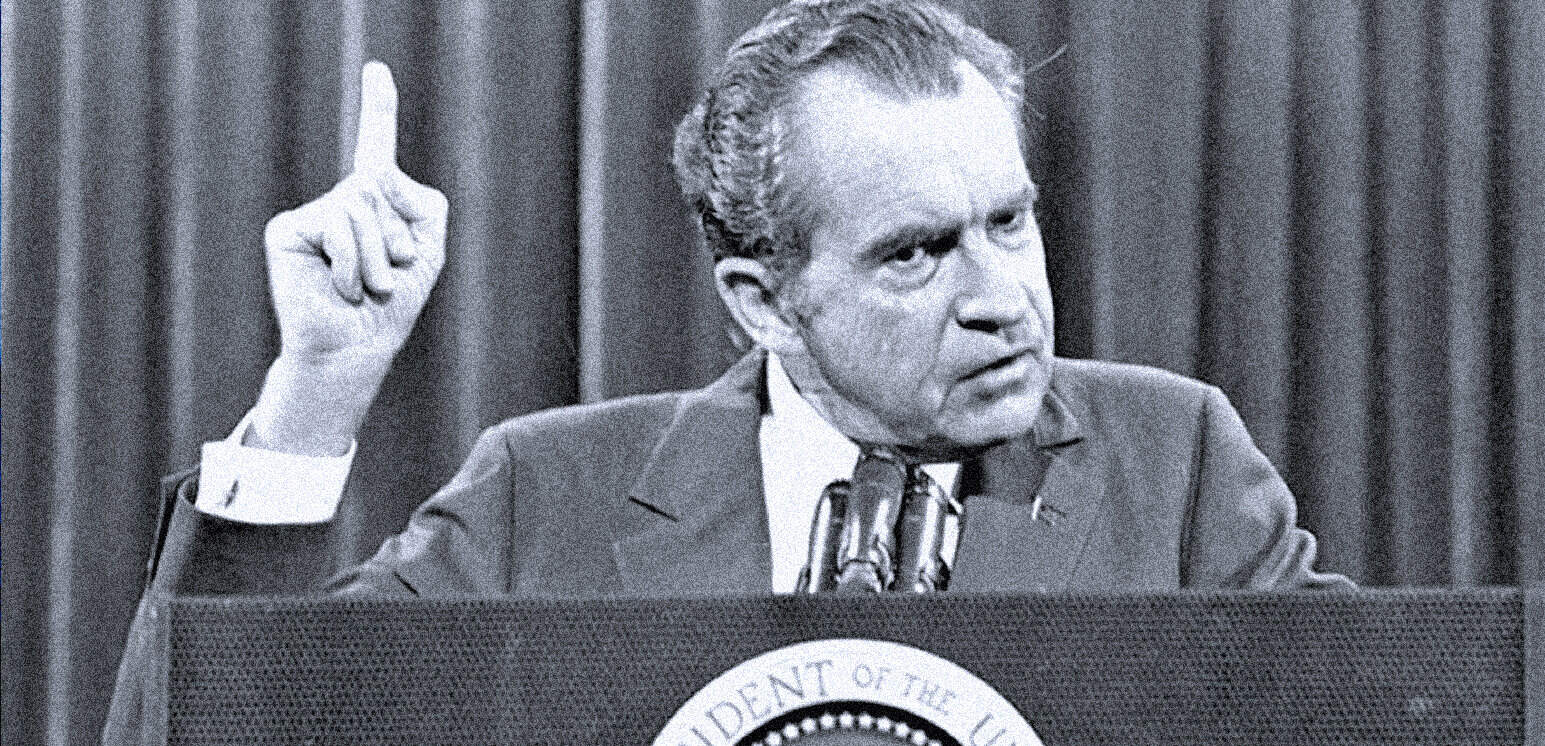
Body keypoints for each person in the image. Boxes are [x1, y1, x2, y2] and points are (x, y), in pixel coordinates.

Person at [107, 0, 1349, 739]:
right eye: (917, 252)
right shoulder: (548, 494)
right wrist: (320, 382)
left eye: (1010, 221)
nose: (1001, 297)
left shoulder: (1175, 463)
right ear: (764, 301)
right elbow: (214, 732)